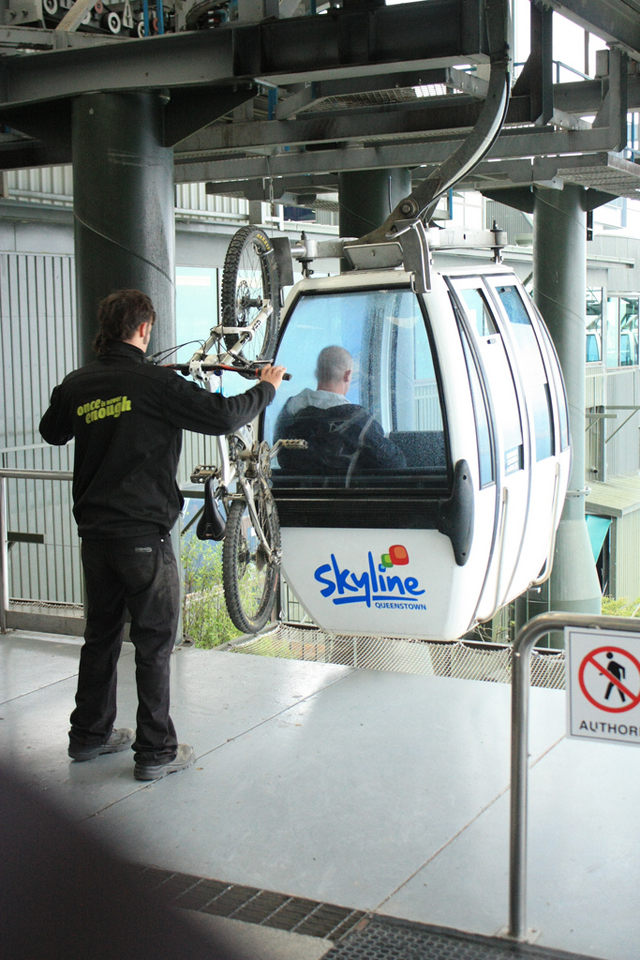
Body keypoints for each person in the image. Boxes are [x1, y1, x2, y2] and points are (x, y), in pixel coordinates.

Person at [39, 289, 286, 781]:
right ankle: (155, 751)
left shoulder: (78, 383)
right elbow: (221, 416)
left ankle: (88, 737)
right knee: (154, 643)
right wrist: (266, 388)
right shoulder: (155, 384)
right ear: (145, 329)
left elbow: (52, 432)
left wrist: (89, 407)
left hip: (95, 537)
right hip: (144, 537)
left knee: (101, 636)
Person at [275, 344, 404, 479]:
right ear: (348, 375)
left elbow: (280, 456)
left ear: (316, 373)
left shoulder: (289, 413)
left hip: (295, 497)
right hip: (347, 498)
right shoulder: (357, 419)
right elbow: (395, 463)